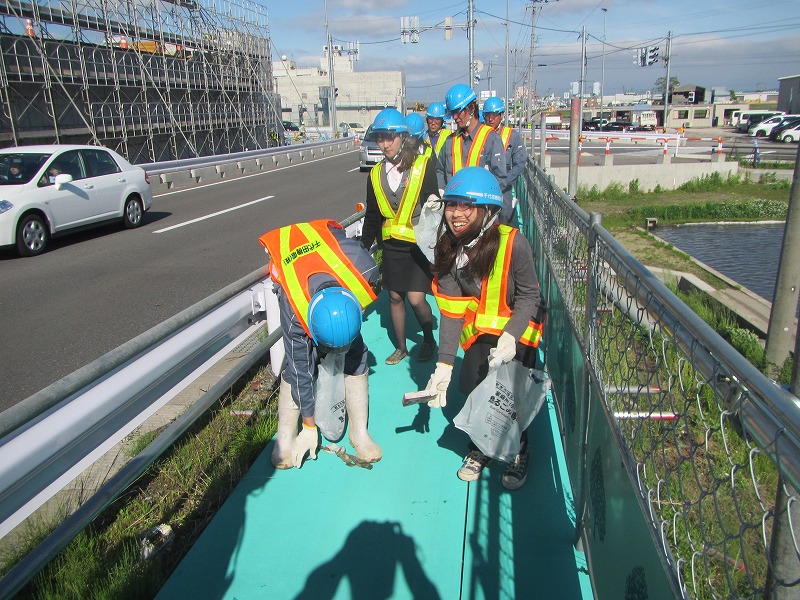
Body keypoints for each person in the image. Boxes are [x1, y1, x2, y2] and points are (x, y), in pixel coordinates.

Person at [423, 167, 544, 490]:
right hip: (482, 326)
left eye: (467, 206)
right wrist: (443, 365)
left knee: (511, 393)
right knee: (473, 386)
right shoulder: (448, 246)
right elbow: (449, 309)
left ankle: (518, 450)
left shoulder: (514, 243)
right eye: (452, 205)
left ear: (489, 212)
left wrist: (510, 337)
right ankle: (482, 447)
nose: (456, 214)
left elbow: (530, 295)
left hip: (519, 324)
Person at [258, 219, 382, 469]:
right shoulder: (295, 311)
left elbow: (350, 318)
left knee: (356, 354)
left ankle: (359, 432)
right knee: (297, 367)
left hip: (327, 249)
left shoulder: (365, 273)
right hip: (290, 260)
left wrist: (347, 333)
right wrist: (309, 425)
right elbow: (302, 369)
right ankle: (285, 438)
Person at [360, 108, 439, 365]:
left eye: (389, 138)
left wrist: (437, 203)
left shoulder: (422, 165)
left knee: (416, 299)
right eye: (380, 138)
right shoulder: (374, 175)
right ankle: (402, 347)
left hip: (417, 245)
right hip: (391, 246)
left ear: (403, 137)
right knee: (394, 296)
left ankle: (429, 338)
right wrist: (362, 248)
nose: (384, 144)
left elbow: (431, 200)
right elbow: (372, 215)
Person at [434, 84, 509, 223]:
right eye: (452, 113)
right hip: (455, 216)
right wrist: (441, 190)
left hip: (479, 215)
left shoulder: (490, 138)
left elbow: (500, 178)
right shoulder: (450, 141)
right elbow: (439, 169)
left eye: (458, 112)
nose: (455, 117)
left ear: (472, 108)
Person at [482, 96, 527, 226]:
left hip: (504, 187)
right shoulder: (480, 135)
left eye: (495, 115)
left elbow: (520, 162)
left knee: (504, 220)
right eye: (487, 115)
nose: (490, 119)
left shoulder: (512, 136)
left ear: (502, 115)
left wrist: (505, 181)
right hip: (484, 186)